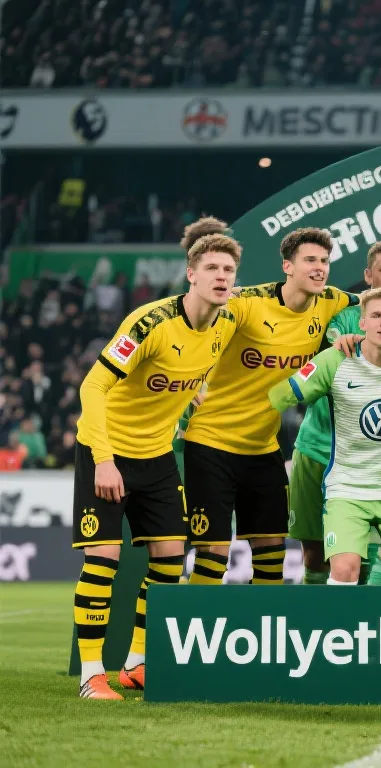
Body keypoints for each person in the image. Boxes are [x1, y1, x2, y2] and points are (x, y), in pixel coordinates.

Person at [72, 233, 240, 699]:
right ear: (191, 274)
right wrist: (104, 460)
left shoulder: (226, 323)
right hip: (106, 450)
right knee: (103, 560)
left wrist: (194, 389)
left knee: (169, 561)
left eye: (228, 270)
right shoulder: (150, 323)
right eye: (211, 268)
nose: (221, 277)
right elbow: (92, 387)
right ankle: (91, 674)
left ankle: (136, 663)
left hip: (157, 455)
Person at [183, 228, 358, 588]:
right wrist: (190, 381)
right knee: (213, 555)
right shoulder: (247, 303)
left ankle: (260, 623)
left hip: (263, 448)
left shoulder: (332, 301)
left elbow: (376, 300)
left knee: (271, 557)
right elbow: (195, 326)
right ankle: (197, 623)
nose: (319, 268)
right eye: (310, 260)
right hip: (212, 443)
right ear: (287, 266)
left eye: (324, 261)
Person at [269, 288, 381, 586]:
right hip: (330, 464)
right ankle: (324, 614)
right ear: (362, 322)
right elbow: (281, 395)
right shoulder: (336, 348)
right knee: (321, 557)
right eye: (376, 315)